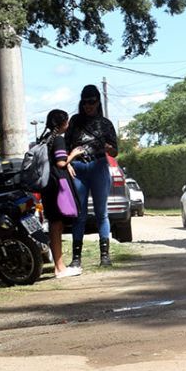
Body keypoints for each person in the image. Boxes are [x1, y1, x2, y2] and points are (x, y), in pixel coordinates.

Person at [66, 84, 118, 269]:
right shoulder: (75, 121)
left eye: (92, 102)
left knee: (101, 213)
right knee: (79, 215)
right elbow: (65, 146)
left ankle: (105, 255)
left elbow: (115, 152)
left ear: (98, 102)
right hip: (79, 167)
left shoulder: (105, 124)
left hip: (98, 166)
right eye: (85, 102)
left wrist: (108, 148)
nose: (89, 105)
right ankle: (76, 258)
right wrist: (68, 163)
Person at [40, 110, 82, 278]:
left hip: (48, 186)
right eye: (67, 121)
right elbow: (60, 162)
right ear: (63, 123)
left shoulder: (45, 138)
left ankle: (59, 265)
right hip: (57, 186)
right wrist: (73, 155)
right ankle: (60, 267)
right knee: (57, 225)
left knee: (54, 225)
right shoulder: (58, 139)